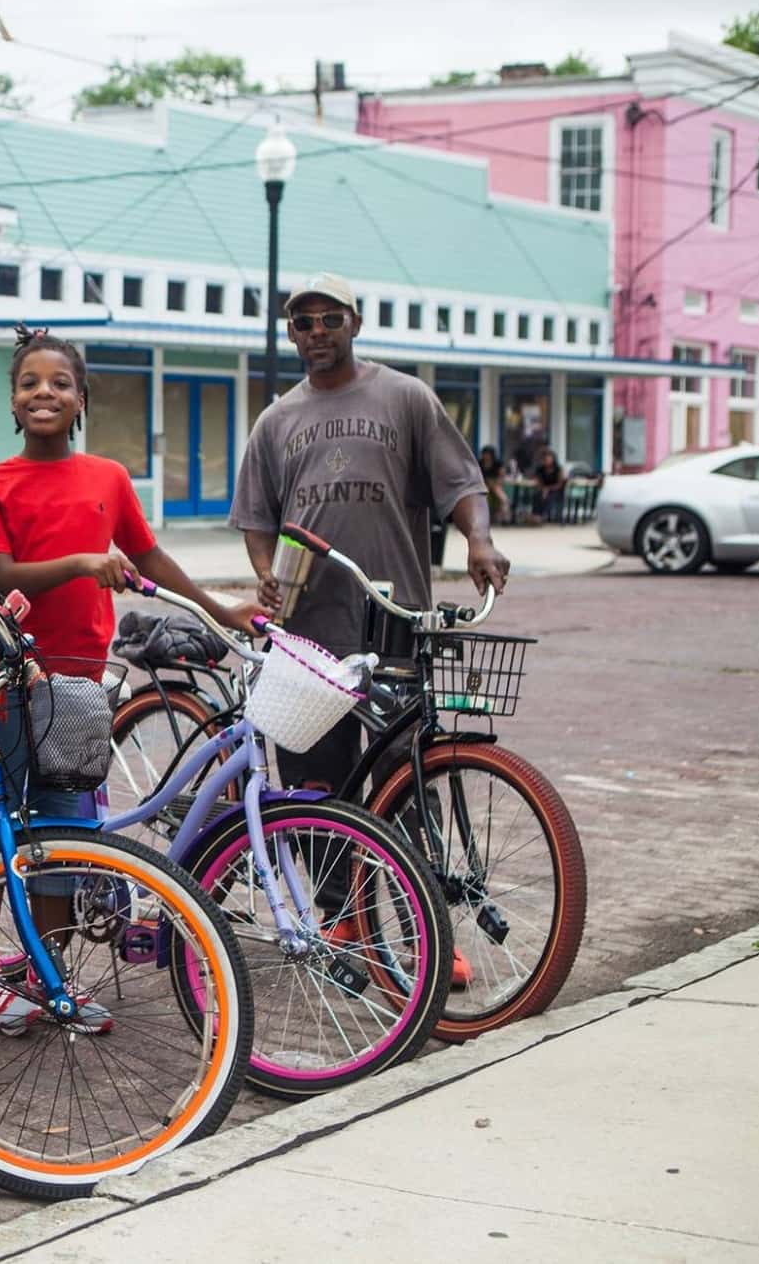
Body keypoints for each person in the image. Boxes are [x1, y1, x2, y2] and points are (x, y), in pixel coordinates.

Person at [0, 324, 264, 1035]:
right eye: (30, 382)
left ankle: (47, 977)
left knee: (63, 833)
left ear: (81, 399)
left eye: (59, 383)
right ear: (12, 400)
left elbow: (151, 558)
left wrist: (222, 611)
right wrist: (80, 564)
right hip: (8, 678)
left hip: (79, 684)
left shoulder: (108, 478)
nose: (44, 392)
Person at [231, 272, 509, 986]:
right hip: (310, 632)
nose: (316, 332)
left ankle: (426, 939)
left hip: (394, 621)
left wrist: (477, 540)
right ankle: (341, 921)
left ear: (355, 322)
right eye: (302, 322)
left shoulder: (405, 398)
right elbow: (258, 521)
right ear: (290, 333)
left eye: (329, 318)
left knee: (404, 783)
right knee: (316, 787)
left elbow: (461, 485)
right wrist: (267, 576)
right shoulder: (276, 421)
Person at [533, 446, 567, 523]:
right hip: (543, 489)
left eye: (549, 458)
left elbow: (560, 484)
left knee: (549, 496)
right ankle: (536, 515)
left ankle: (544, 516)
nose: (547, 460)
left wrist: (548, 489)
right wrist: (543, 488)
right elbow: (538, 481)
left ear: (553, 459)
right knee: (537, 495)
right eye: (545, 459)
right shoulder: (540, 469)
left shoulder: (558, 469)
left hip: (556, 490)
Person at [477, 445, 510, 524]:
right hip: (483, 485)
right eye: (484, 454)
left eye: (488, 454)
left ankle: (505, 518)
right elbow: (476, 476)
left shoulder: (498, 463)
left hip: (495, 485)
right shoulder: (479, 463)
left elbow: (502, 476)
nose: (486, 456)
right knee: (482, 497)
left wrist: (495, 483)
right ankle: (483, 518)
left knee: (503, 499)